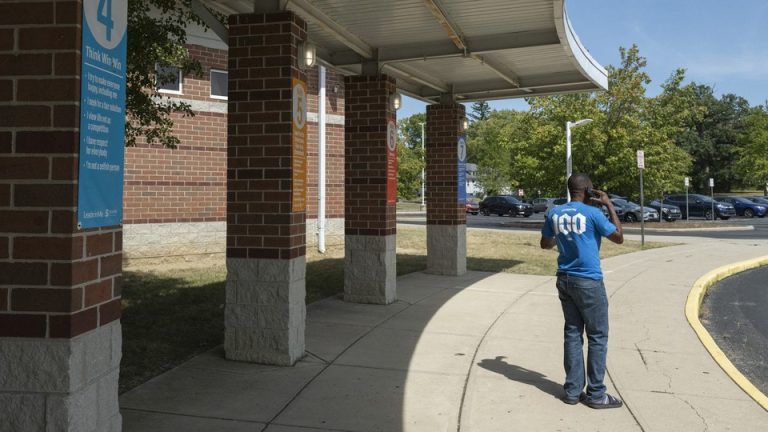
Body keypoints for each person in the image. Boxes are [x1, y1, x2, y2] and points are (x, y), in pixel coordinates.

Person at [539, 173, 624, 409]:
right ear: (587, 191)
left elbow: (545, 243)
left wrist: (566, 236)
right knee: (597, 336)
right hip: (588, 281)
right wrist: (608, 204)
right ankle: (596, 394)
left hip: (564, 279)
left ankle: (572, 391)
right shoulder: (594, 213)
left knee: (573, 333)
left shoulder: (555, 212)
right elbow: (619, 237)